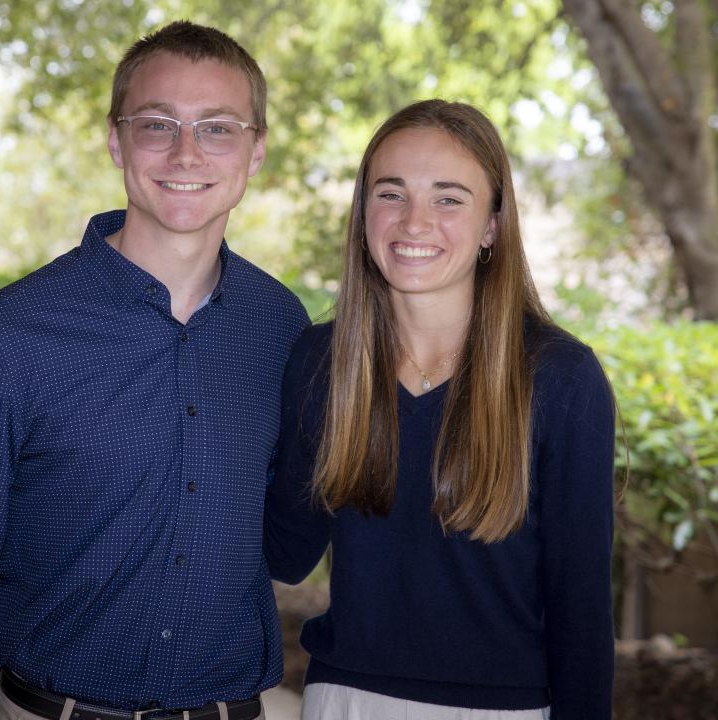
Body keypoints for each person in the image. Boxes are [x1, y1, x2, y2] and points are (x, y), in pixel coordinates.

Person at [0, 21, 310, 720]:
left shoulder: (279, 327)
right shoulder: (5, 337)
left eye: (217, 128)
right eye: (157, 124)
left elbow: (287, 537)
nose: (185, 151)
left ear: (256, 149)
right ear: (116, 140)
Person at [264, 100, 616, 719]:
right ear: (363, 213)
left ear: (491, 226)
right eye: (391, 193)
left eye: (449, 198)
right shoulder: (321, 362)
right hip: (342, 699)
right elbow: (287, 553)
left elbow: (580, 606)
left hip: (504, 710)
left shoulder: (561, 378)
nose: (414, 220)